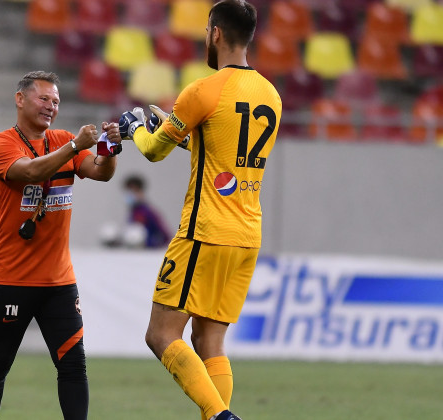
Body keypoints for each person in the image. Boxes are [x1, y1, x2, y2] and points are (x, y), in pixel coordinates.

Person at [117, 1, 282, 419]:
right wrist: (183, 135)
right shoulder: (271, 95)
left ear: (215, 33)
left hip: (204, 232)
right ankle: (219, 415)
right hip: (247, 236)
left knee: (161, 334)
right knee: (210, 342)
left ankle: (221, 417)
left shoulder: (203, 89)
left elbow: (154, 152)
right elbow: (224, 159)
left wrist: (136, 126)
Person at [0, 70, 122, 420]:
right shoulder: (0, 143)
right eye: (44, 99)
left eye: (56, 101)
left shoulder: (63, 138)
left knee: (74, 365)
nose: (51, 106)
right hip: (13, 278)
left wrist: (110, 145)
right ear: (20, 99)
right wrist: (74, 146)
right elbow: (30, 172)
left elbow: (101, 171)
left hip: (58, 281)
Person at [123, 174, 171, 248]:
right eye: (128, 191)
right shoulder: (132, 212)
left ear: (141, 192)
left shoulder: (148, 212)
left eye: (134, 191)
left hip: (147, 253)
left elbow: (165, 236)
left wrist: (152, 245)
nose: (130, 194)